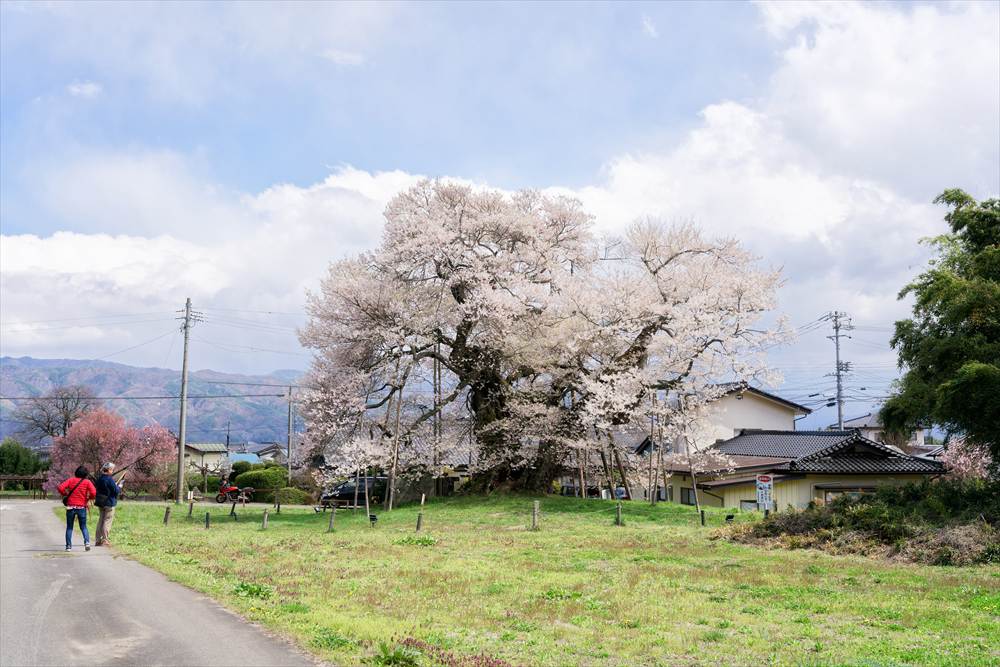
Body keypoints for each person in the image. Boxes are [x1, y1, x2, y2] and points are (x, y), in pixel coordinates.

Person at [58, 466, 97, 552]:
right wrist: (89, 498)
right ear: (85, 474)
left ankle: (68, 546)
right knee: (83, 527)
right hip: (81, 507)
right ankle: (87, 543)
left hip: (70, 507)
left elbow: (60, 487)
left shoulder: (71, 480)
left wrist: (65, 494)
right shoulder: (87, 482)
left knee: (69, 527)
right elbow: (94, 492)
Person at [94, 462, 122, 547]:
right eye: (112, 470)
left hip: (101, 502)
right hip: (109, 503)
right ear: (109, 470)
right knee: (107, 521)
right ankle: (105, 540)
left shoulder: (99, 479)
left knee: (101, 520)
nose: (112, 471)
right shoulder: (110, 479)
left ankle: (98, 540)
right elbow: (116, 491)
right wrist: (119, 486)